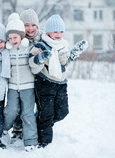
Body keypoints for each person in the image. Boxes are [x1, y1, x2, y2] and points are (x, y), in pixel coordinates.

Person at [28, 14, 88, 148]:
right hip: (44, 83)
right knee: (47, 113)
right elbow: (31, 61)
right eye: (55, 31)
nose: (59, 34)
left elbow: (63, 64)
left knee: (62, 112)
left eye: (61, 31)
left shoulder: (63, 45)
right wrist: (40, 58)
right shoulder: (41, 45)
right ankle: (44, 142)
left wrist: (72, 55)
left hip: (61, 84)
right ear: (48, 32)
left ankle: (41, 123)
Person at [3, 13, 38, 152]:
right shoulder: (7, 51)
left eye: (15, 37)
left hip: (28, 86)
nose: (13, 40)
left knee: (27, 113)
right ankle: (4, 131)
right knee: (10, 110)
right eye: (10, 38)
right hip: (12, 86)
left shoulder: (29, 47)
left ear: (21, 36)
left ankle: (30, 141)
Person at [10, 8, 43, 141]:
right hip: (21, 79)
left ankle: (34, 127)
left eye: (33, 25)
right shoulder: (16, 39)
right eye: (26, 25)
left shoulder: (43, 38)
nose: (30, 29)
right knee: (17, 106)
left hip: (40, 78)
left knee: (32, 109)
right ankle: (18, 127)